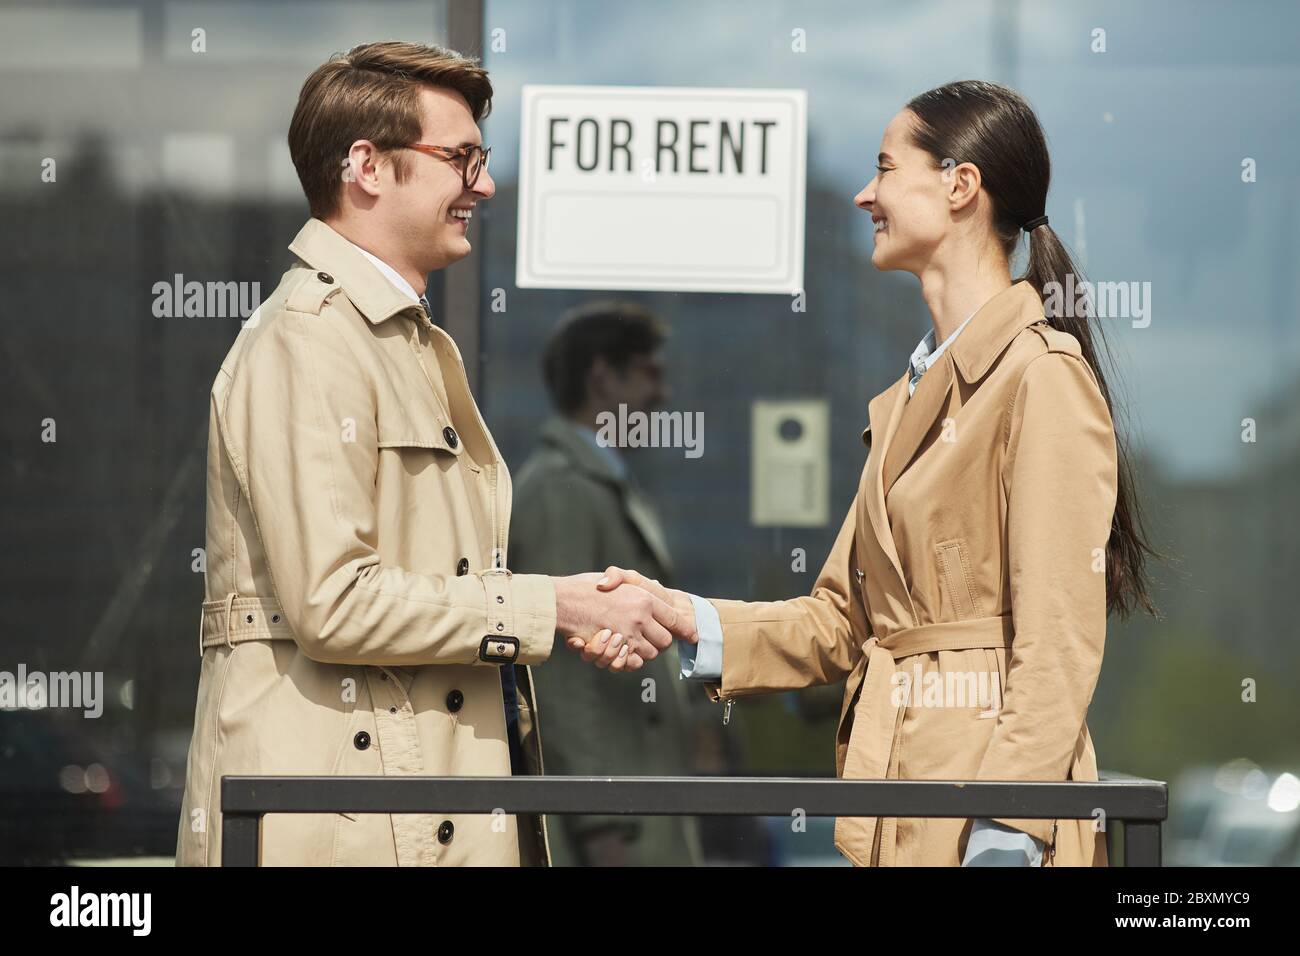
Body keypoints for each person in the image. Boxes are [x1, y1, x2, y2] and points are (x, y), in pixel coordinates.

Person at [578, 79, 1161, 867]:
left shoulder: (1040, 376)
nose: (865, 195)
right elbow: (837, 624)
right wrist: (685, 615)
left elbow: (1060, 637)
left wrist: (1012, 826)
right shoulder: (908, 397)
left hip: (982, 825)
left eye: (886, 169)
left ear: (961, 186)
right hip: (898, 799)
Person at [174, 41, 694, 867]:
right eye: (461, 158)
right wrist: (553, 608)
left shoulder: (390, 339)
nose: (482, 184)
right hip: (350, 829)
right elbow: (331, 602)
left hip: (406, 816)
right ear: (367, 167)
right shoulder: (309, 341)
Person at [510, 302, 705, 867]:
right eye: (650, 372)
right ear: (602, 376)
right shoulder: (561, 490)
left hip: (633, 811)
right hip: (617, 829)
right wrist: (601, 825)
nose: (663, 394)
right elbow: (560, 679)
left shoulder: (598, 483)